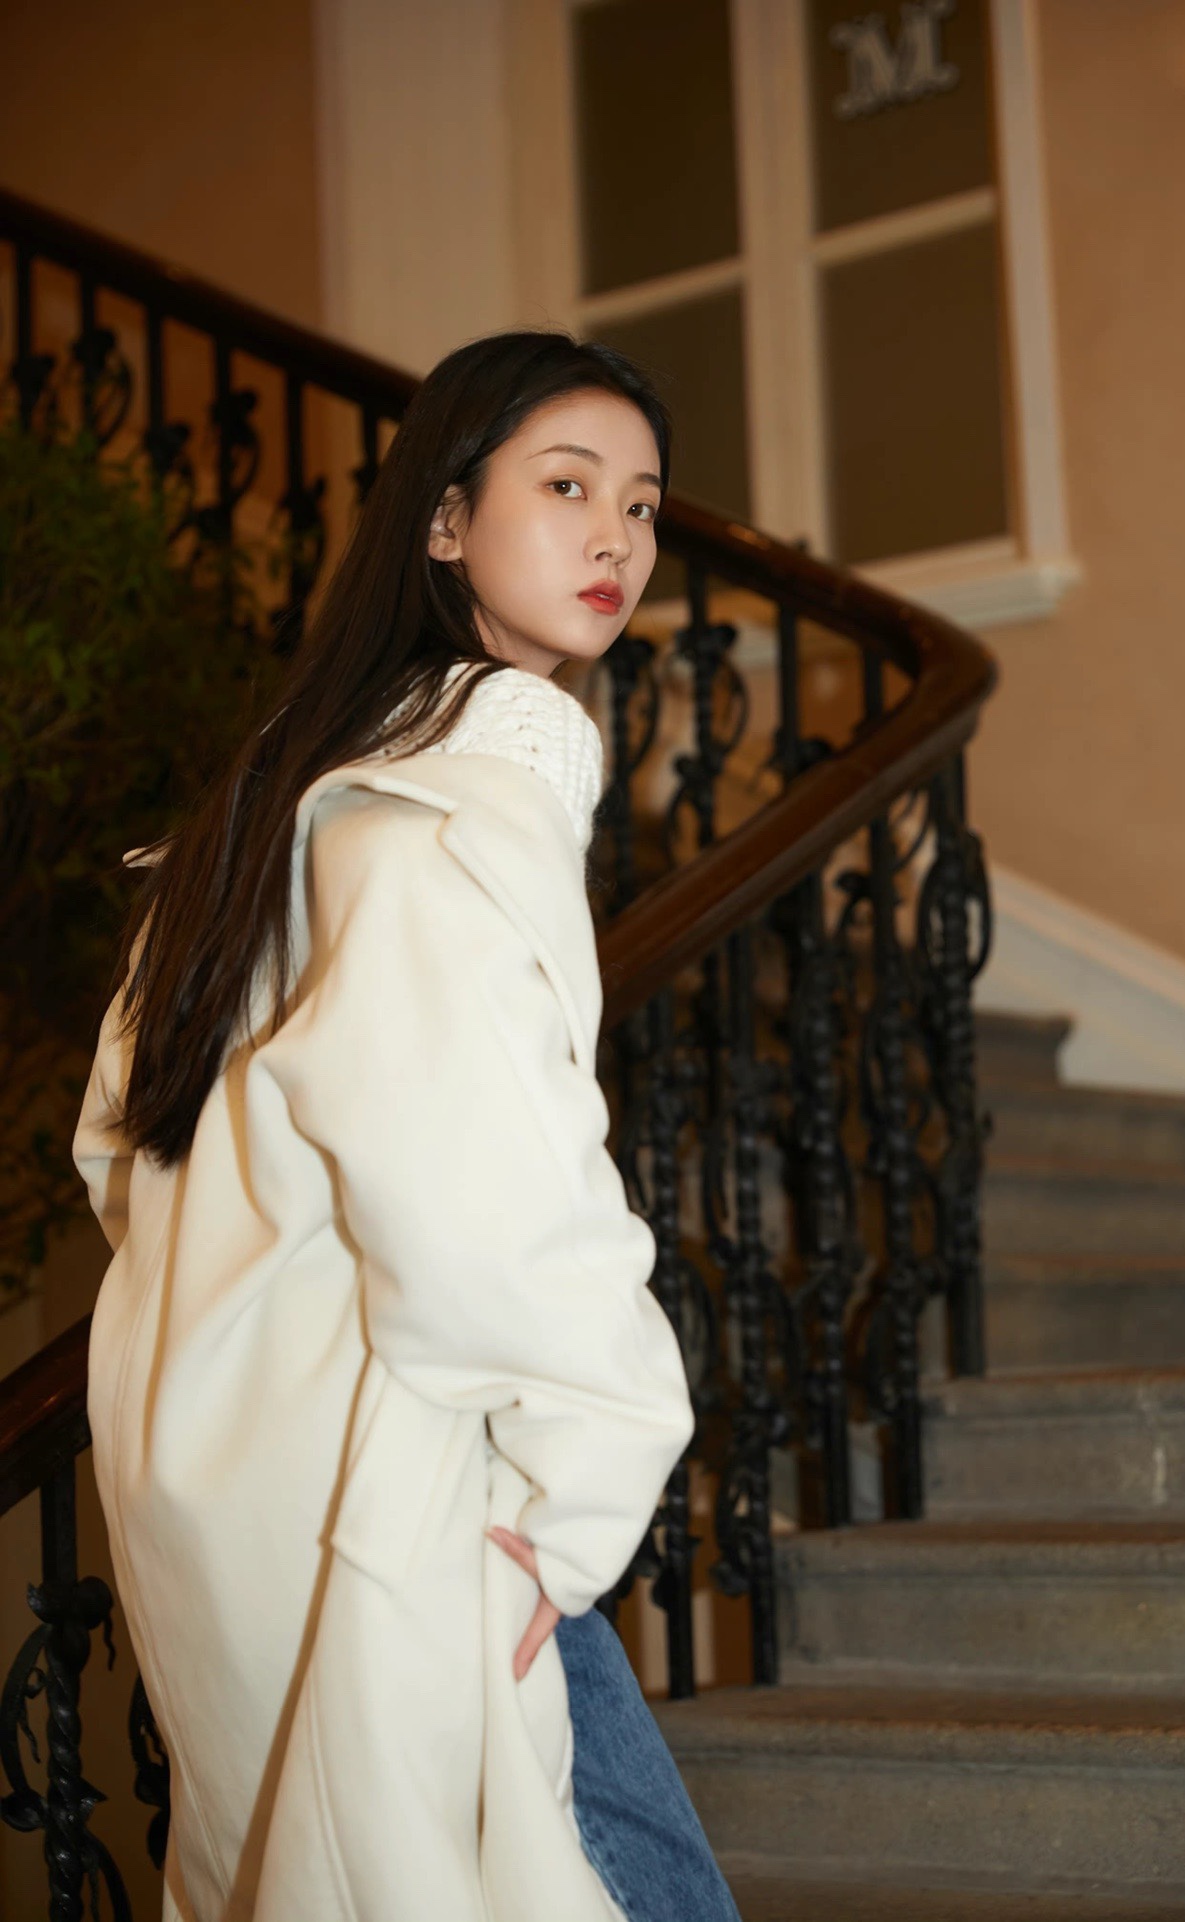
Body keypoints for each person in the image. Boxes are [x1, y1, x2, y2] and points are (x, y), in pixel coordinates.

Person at [73, 330, 742, 1922]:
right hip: (402, 1479)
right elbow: (491, 1168)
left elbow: (119, 1141)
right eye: (565, 485)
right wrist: (586, 1481)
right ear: (444, 518)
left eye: (641, 504)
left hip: (220, 1479)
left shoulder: (279, 798)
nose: (615, 538)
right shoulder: (481, 773)